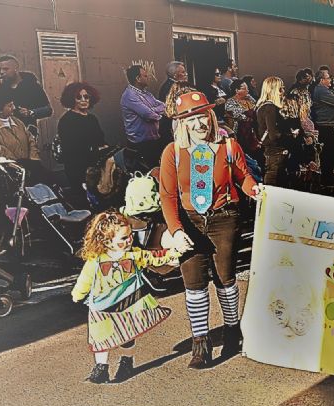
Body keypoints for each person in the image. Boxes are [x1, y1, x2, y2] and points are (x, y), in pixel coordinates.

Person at [158, 91, 260, 369]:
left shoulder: (228, 146)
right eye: (191, 118)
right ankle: (200, 342)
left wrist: (255, 189)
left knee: (226, 278)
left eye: (202, 115)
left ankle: (232, 330)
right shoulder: (172, 152)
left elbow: (243, 177)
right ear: (182, 123)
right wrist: (176, 230)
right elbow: (167, 195)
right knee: (193, 283)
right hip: (190, 220)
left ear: (211, 116)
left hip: (224, 217)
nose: (199, 123)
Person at [71, 210, 180, 384]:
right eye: (123, 238)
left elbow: (153, 257)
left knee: (127, 334)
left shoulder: (134, 255)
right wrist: (78, 294)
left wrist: (173, 254)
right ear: (107, 241)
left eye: (130, 235)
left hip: (129, 302)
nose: (129, 240)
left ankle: (126, 361)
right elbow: (85, 279)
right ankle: (101, 367)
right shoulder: (96, 260)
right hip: (102, 306)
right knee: (101, 337)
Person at [0, 88, 44, 181]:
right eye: (10, 105)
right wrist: (19, 164)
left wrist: (34, 160)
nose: (14, 107)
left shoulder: (17, 121)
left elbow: (30, 139)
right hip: (9, 175)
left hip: (30, 168)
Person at [57, 82, 107, 191]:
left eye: (86, 97)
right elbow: (72, 149)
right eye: (79, 97)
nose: (83, 100)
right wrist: (95, 149)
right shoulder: (66, 120)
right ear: (72, 99)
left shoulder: (92, 118)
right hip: (77, 168)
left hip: (96, 164)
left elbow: (101, 140)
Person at [0, 54, 51, 132]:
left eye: (5, 69)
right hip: (2, 132)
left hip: (27, 131)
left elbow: (48, 110)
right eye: (0, 69)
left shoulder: (31, 85)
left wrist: (30, 112)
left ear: (16, 68)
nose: (2, 72)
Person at [120, 65, 168, 169]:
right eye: (145, 76)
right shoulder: (130, 96)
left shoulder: (147, 94)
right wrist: (156, 111)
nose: (148, 78)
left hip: (153, 140)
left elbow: (163, 105)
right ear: (138, 78)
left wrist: (153, 110)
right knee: (148, 172)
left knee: (158, 168)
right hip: (140, 144)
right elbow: (148, 114)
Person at [255, 77, 293, 186]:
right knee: (274, 184)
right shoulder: (270, 108)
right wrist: (290, 135)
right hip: (276, 152)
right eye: (280, 89)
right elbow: (273, 134)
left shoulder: (262, 106)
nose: (283, 92)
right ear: (272, 90)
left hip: (272, 152)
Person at [312, 69, 334, 190]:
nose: (331, 80)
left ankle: (330, 176)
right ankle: (326, 179)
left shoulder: (328, 90)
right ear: (322, 80)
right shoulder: (320, 91)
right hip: (326, 127)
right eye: (328, 78)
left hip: (332, 125)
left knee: (332, 154)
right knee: (328, 154)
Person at [223, 79, 259, 154]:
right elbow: (238, 116)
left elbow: (257, 107)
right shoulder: (230, 102)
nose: (247, 90)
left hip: (254, 129)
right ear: (237, 90)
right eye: (244, 89)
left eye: (247, 88)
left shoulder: (249, 98)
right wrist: (250, 119)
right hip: (241, 132)